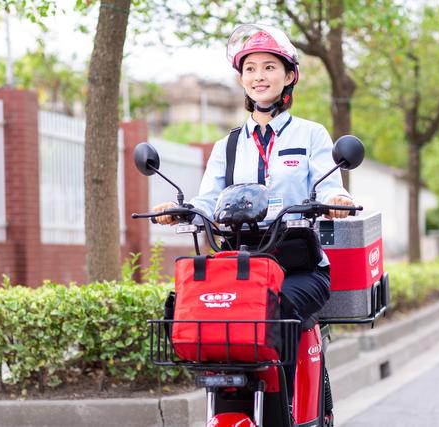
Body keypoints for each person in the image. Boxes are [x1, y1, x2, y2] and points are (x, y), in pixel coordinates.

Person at [152, 23, 354, 412]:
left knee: (276, 313)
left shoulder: (311, 135)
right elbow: (207, 202)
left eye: (269, 67)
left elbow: (329, 185)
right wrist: (177, 210)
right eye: (250, 69)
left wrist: (337, 198)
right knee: (204, 314)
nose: (259, 76)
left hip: (300, 268)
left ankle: (284, 410)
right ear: (241, 79)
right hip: (242, 267)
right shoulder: (227, 146)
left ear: (289, 75)